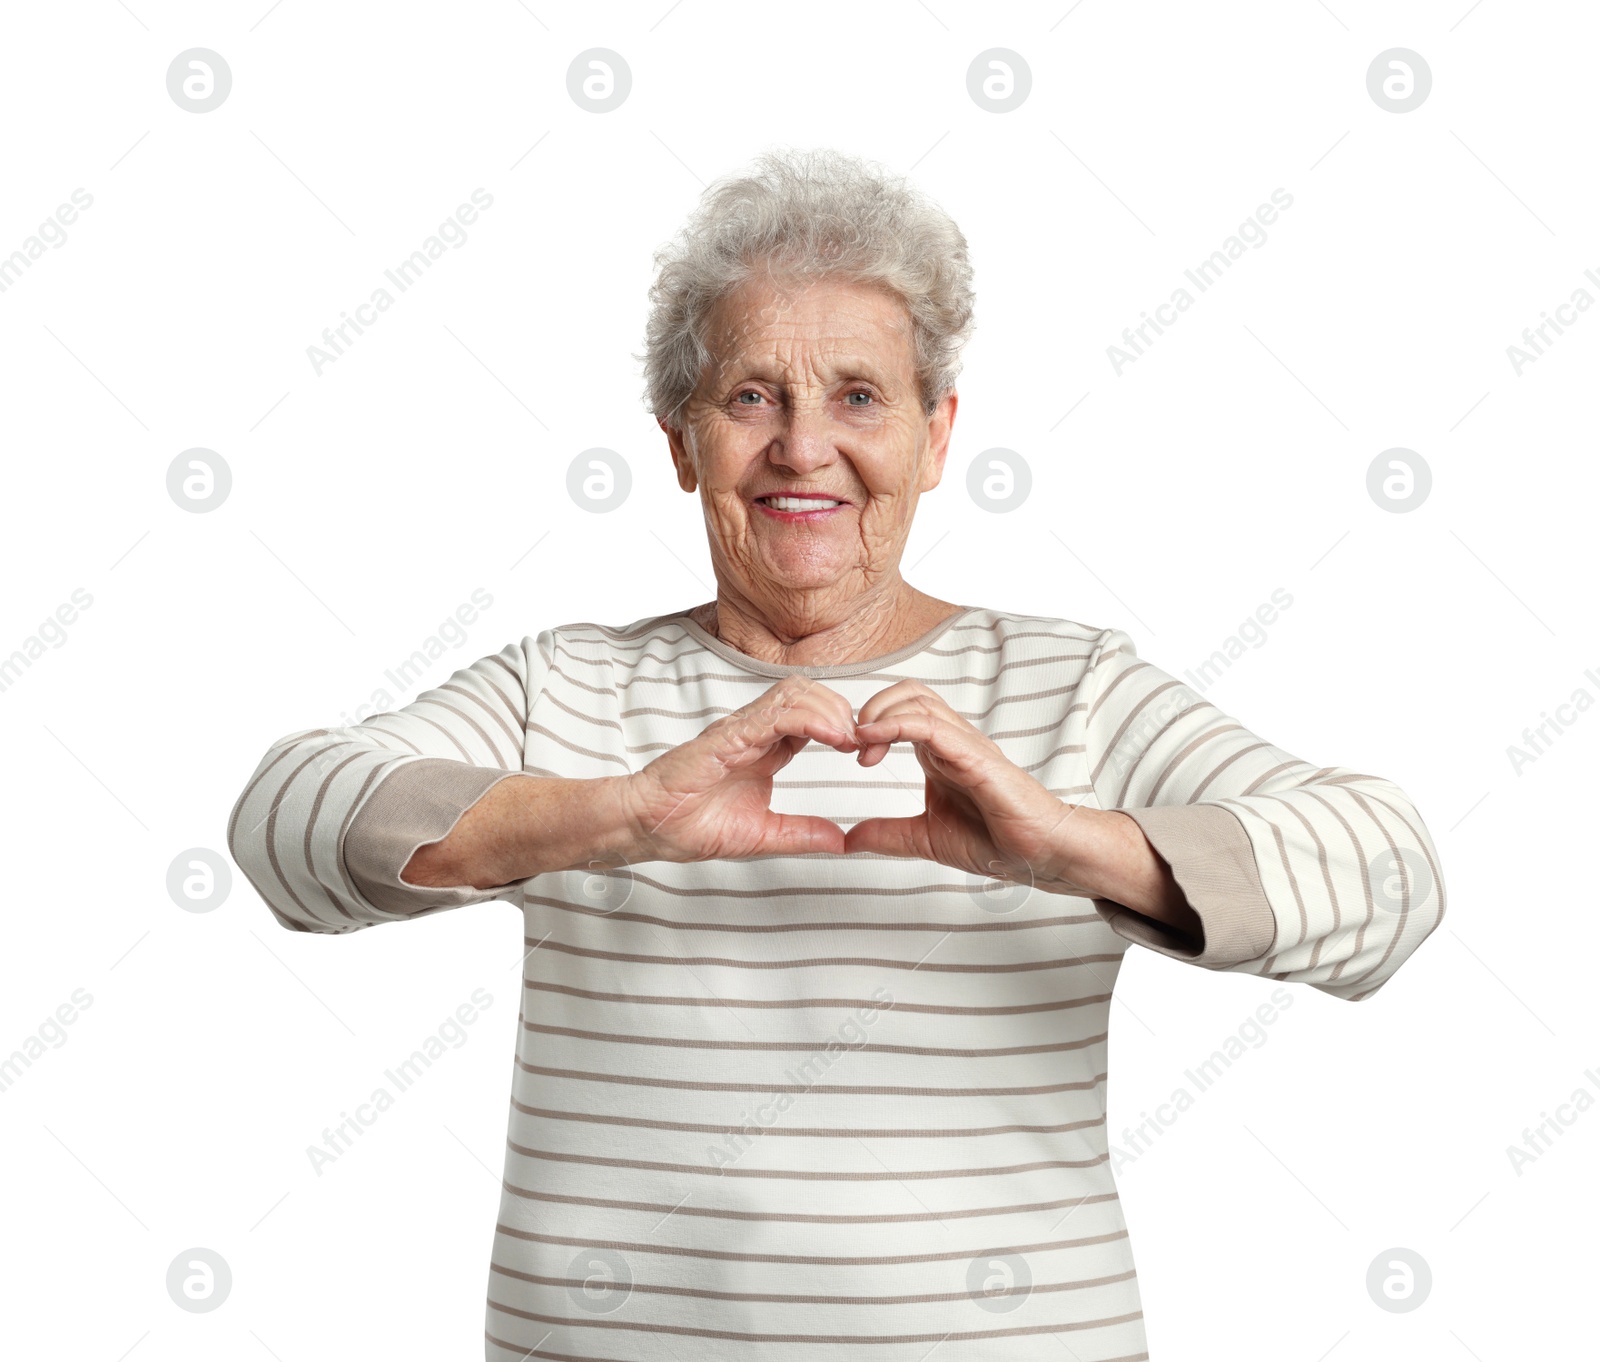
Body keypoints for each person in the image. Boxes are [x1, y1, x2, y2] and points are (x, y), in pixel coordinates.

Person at [226, 146, 1446, 1360]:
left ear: (935, 436)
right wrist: (619, 819)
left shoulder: (1070, 690)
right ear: (679, 443)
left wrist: (1074, 846)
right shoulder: (568, 688)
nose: (803, 448)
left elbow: (1389, 877)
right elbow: (285, 821)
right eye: (752, 396)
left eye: (857, 396)